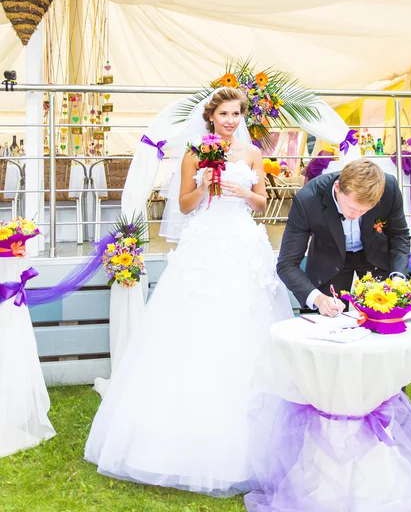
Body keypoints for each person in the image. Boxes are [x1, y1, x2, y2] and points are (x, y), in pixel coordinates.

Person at [84, 87, 293, 496]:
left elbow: (261, 202)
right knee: (193, 328)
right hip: (204, 245)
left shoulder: (252, 156)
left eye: (236, 114)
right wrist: (206, 186)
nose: (231, 121)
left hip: (242, 245)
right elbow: (182, 204)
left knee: (244, 326)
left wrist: (243, 192)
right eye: (225, 114)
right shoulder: (194, 153)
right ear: (211, 117)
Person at [277, 158, 411, 316]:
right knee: (331, 323)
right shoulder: (307, 200)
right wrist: (319, 299)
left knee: (385, 319)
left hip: (375, 256)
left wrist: (398, 276)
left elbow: (399, 235)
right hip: (328, 257)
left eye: (364, 211)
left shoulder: (389, 188)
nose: (356, 215)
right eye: (352, 207)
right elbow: (286, 264)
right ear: (337, 187)